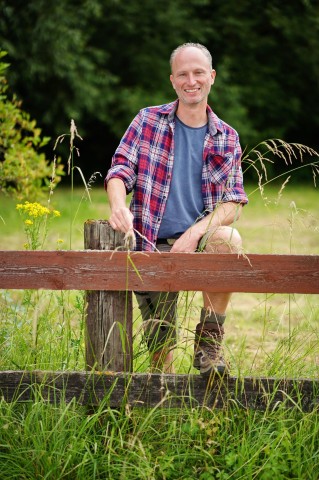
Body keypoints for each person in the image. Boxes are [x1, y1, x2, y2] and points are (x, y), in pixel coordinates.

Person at [105, 42, 248, 375]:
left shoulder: (227, 136)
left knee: (228, 239)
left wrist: (194, 232)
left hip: (198, 243)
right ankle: (165, 408)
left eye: (198, 72)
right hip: (151, 243)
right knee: (160, 350)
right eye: (183, 74)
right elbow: (119, 170)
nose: (191, 80)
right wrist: (116, 205)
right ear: (173, 80)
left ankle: (209, 346)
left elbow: (233, 201)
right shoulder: (147, 120)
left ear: (211, 77)